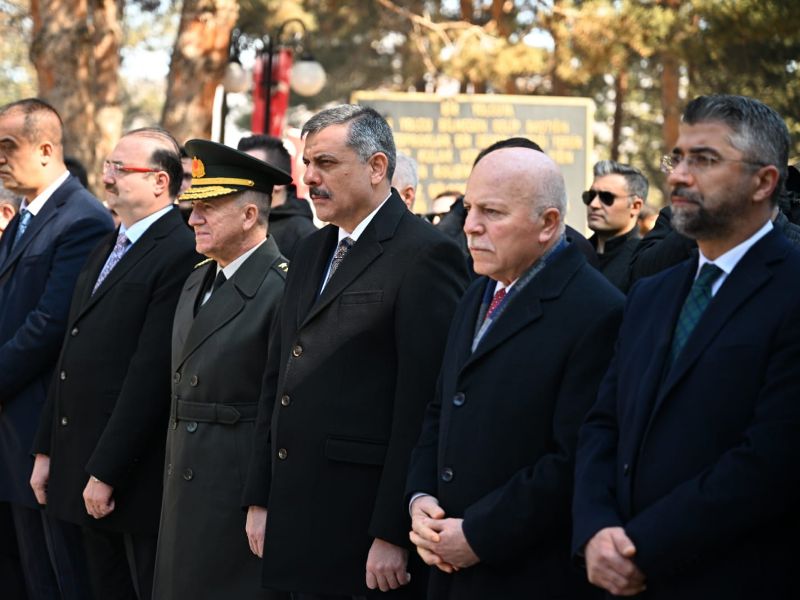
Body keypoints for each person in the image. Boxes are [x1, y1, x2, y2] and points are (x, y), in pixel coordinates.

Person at [572, 95, 800, 600]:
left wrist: (639, 546)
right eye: (678, 157)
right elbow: (604, 422)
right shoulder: (652, 293)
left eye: (706, 159)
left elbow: (771, 462)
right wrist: (594, 526)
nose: (679, 175)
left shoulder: (792, 290)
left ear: (764, 182)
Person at [243, 104, 469, 599]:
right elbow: (277, 377)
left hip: (359, 526)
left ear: (377, 167)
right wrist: (260, 495)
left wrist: (391, 530)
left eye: (326, 163)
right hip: (292, 511)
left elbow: (419, 403)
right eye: (307, 164)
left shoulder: (427, 253)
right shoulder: (310, 248)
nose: (309, 178)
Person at [406, 145, 623, 600]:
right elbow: (441, 406)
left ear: (547, 224)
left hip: (523, 573)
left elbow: (573, 457)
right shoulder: (479, 291)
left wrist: (480, 535)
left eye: (492, 212)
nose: (469, 226)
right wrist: (420, 499)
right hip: (444, 561)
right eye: (469, 208)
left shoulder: (596, 310)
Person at [30, 127, 198, 600]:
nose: (107, 177)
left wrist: (106, 472)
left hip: (125, 478)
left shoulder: (179, 251)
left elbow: (149, 376)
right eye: (107, 165)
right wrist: (45, 450)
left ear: (161, 183)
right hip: (75, 463)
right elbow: (70, 352)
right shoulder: (110, 243)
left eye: (121, 169)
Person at [151, 139, 292, 600]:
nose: (193, 218)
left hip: (231, 493)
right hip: (184, 483)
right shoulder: (198, 277)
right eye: (193, 207)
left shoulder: (281, 288)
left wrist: (261, 499)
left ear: (250, 215)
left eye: (207, 207)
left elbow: (280, 410)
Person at [0, 98, 114, 600]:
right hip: (11, 423)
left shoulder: (81, 218)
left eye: (7, 147)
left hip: (40, 425)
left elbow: (48, 325)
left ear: (46, 148)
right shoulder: (26, 215)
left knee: (55, 575)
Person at [238, 134, 316, 260]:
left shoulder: (304, 235)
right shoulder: (237, 222)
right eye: (238, 172)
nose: (239, 181)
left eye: (250, 173)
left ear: (278, 182)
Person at [584, 160, 646, 292]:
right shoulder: (575, 252)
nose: (594, 205)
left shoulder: (644, 260)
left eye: (607, 197)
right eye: (591, 196)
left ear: (635, 206)